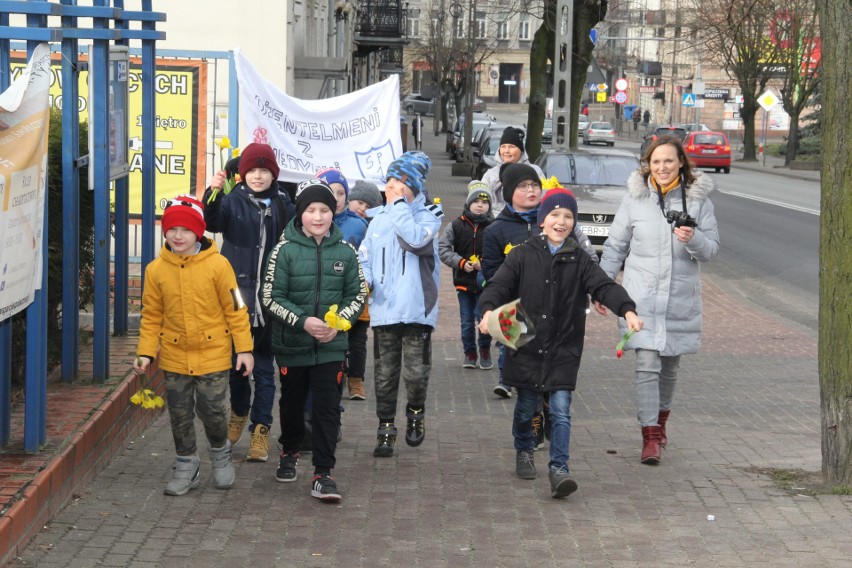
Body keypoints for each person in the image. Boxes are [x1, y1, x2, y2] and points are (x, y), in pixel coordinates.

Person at [478, 188, 643, 499]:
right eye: (554, 214)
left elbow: (603, 285)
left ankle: (559, 469)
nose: (561, 221)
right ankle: (524, 448)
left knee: (561, 410)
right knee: (527, 406)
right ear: (542, 220)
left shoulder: (579, 259)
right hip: (525, 342)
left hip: (564, 345)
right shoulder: (522, 254)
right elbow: (498, 286)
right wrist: (487, 311)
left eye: (568, 216)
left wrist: (627, 309)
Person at [599, 135, 719, 465]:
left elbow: (711, 251)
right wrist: (603, 285)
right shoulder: (634, 200)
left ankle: (661, 423)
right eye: (656, 161)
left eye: (668, 160)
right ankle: (650, 437)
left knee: (669, 366)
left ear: (681, 161)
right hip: (641, 301)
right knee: (646, 364)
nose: (662, 167)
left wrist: (693, 238)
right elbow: (615, 247)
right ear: (647, 165)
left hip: (679, 300)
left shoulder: (698, 202)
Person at [133, 194, 255, 496]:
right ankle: (187, 464)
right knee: (179, 412)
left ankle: (219, 451)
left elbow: (236, 309)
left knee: (212, 410)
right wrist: (146, 351)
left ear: (198, 232)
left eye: (186, 230)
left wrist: (244, 348)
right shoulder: (155, 270)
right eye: (172, 229)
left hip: (213, 353)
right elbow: (152, 315)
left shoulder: (219, 265)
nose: (178, 236)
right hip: (174, 355)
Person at [260, 179, 367, 502]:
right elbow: (271, 296)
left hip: (332, 347)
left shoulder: (345, 252)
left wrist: (340, 323)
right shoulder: (284, 250)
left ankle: (323, 473)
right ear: (300, 213)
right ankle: (290, 450)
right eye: (311, 210)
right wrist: (302, 321)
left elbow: (358, 293)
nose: (318, 217)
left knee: (327, 409)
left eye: (324, 209)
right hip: (292, 346)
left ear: (333, 212)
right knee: (292, 406)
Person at [203, 142, 295, 463]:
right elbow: (211, 221)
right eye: (252, 170)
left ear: (273, 174)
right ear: (242, 175)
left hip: (270, 299)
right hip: (236, 299)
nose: (258, 176)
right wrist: (212, 192)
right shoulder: (233, 201)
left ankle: (261, 429)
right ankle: (239, 411)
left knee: (266, 369)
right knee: (236, 367)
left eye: (264, 170)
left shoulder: (285, 205)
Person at [357, 151, 443, 458]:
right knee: (384, 373)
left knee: (416, 373)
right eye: (390, 181)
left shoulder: (429, 216)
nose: (392, 187)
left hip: (417, 309)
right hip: (384, 309)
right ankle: (385, 427)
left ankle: (416, 411)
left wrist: (397, 206)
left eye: (400, 182)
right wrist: (364, 279)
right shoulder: (377, 218)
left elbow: (415, 240)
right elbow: (365, 256)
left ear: (415, 187)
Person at [438, 180, 494, 370]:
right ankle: (469, 352)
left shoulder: (494, 227)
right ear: (468, 203)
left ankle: (485, 349)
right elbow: (443, 248)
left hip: (486, 283)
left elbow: (501, 253)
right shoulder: (456, 225)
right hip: (463, 282)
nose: (480, 205)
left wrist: (484, 264)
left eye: (485, 202)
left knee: (484, 318)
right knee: (467, 321)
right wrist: (461, 263)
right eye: (476, 201)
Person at [343, 180, 384, 400]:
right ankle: (338, 377)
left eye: (368, 206)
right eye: (359, 202)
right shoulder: (338, 224)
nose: (362, 208)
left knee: (358, 341)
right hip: (339, 293)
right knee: (339, 339)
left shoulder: (374, 230)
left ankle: (356, 380)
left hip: (363, 294)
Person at [480, 126, 545, 216]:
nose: (506, 151)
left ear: (521, 151)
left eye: (511, 147)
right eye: (503, 147)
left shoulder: (535, 171)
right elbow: (482, 201)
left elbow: (543, 198)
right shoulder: (490, 175)